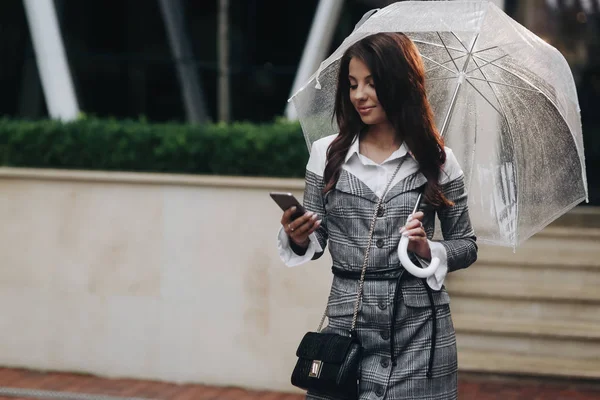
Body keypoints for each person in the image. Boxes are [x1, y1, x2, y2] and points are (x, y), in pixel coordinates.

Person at [277, 32, 478, 400]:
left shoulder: (440, 161)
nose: (359, 95)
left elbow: (466, 244)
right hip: (345, 329)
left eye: (371, 83)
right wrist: (300, 236)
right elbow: (318, 238)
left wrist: (427, 249)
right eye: (353, 85)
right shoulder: (327, 155)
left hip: (420, 337)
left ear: (399, 84)